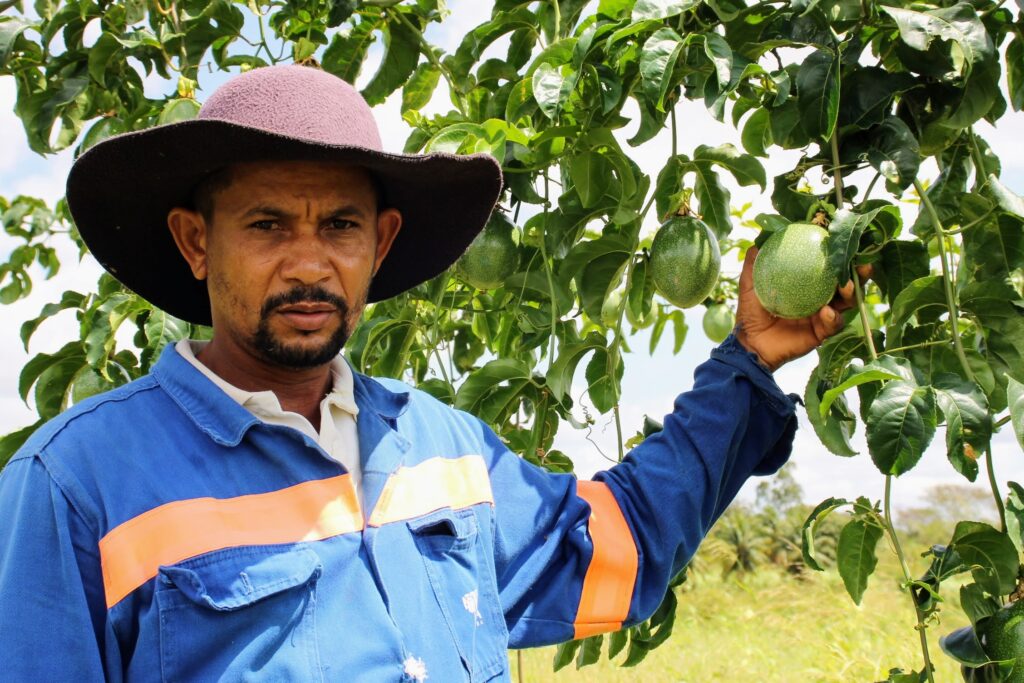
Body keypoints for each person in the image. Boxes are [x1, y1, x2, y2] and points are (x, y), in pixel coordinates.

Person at [0, 64, 853, 682]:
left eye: (341, 226)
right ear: (196, 241)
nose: (310, 264)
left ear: (381, 244)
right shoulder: (74, 483)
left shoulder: (439, 445)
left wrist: (748, 362)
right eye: (266, 225)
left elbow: (616, 546)